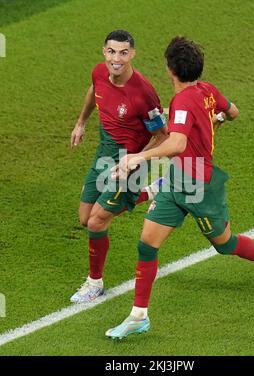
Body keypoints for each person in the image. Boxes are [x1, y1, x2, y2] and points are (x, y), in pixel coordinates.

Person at [105, 36, 254, 339]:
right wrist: (215, 120)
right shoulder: (206, 90)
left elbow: (176, 142)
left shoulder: (182, 101)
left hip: (200, 186)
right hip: (177, 182)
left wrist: (138, 156)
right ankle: (139, 316)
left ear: (169, 69)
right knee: (147, 243)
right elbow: (233, 112)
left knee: (224, 244)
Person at [70, 30, 168, 303]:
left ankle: (94, 282)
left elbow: (163, 136)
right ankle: (152, 192)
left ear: (132, 54)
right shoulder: (99, 73)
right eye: (112, 51)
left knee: (96, 222)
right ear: (104, 52)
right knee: (83, 217)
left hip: (129, 163)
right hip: (104, 154)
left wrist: (134, 160)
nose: (117, 58)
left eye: (123, 52)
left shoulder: (143, 94)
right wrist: (81, 123)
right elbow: (94, 90)